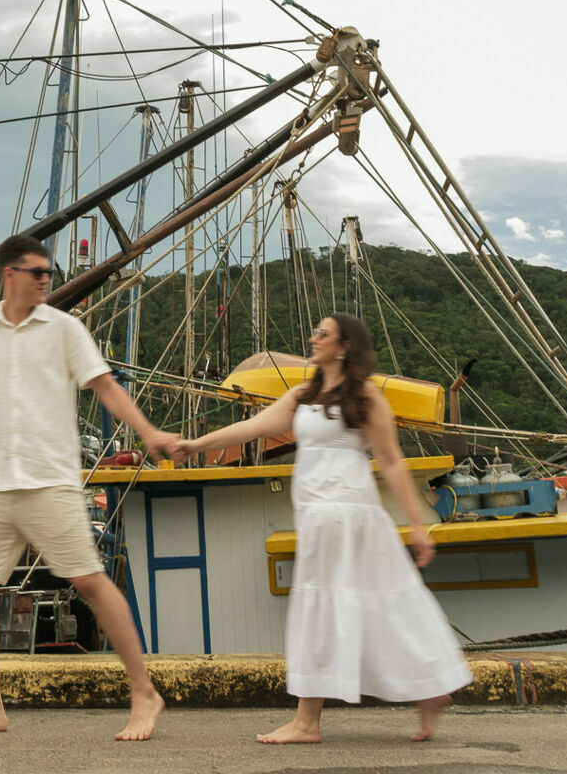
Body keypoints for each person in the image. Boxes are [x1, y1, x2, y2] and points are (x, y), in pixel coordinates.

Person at [0, 233, 180, 741]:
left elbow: (105, 386)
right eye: (37, 272)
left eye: (49, 273)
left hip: (51, 481)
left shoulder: (66, 329)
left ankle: (144, 692)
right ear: (10, 275)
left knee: (90, 583)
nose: (47, 280)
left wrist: (149, 432)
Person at [180, 312, 471, 744]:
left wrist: (417, 523)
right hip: (320, 512)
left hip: (345, 511)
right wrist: (196, 445)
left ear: (345, 345)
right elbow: (254, 427)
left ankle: (307, 722)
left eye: (323, 333)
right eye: (314, 331)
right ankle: (431, 688)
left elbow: (390, 460)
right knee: (383, 605)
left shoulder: (365, 396)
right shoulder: (304, 393)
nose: (313, 338)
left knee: (323, 607)